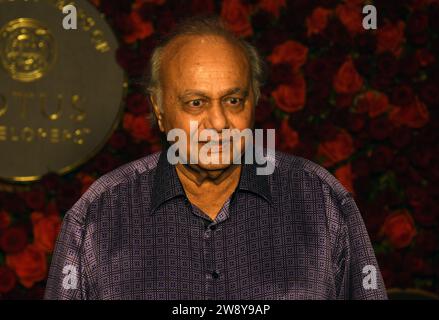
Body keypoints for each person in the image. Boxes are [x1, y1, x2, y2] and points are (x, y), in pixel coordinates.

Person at [44, 16, 387, 300]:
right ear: (160, 111)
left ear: (254, 102)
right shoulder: (99, 214)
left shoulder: (321, 202)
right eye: (196, 103)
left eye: (234, 100)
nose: (219, 122)